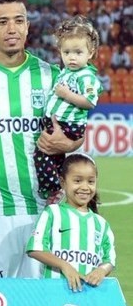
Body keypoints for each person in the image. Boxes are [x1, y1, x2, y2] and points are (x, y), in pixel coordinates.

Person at [0, 0, 82, 278]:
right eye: (2, 22)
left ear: (27, 26)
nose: (12, 28)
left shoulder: (52, 78)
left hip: (44, 211)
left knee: (41, 301)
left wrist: (69, 143)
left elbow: (76, 134)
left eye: (18, 20)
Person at [34, 17, 102, 202]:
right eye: (67, 52)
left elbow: (90, 101)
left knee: (42, 152)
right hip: (59, 122)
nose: (72, 57)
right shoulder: (65, 72)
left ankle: (52, 188)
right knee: (54, 157)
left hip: (68, 123)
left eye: (78, 52)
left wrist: (66, 94)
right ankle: (59, 183)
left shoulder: (86, 76)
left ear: (90, 53)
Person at [27, 154, 115, 291]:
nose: (85, 187)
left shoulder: (101, 224)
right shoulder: (52, 213)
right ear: (63, 182)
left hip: (87, 293)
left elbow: (109, 260)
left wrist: (102, 270)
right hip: (54, 291)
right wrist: (65, 266)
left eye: (90, 181)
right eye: (77, 181)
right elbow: (35, 249)